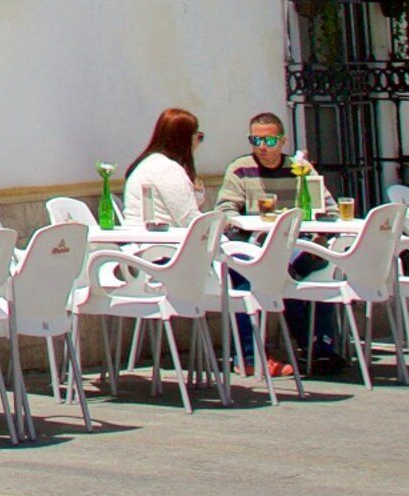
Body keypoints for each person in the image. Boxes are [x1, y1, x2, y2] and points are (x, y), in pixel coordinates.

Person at [217, 112, 337, 374]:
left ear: (283, 141)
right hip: (256, 246)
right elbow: (225, 211)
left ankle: (321, 346)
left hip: (297, 247)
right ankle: (250, 356)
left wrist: (320, 234)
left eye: (269, 141)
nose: (262, 147)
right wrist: (244, 223)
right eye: (256, 140)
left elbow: (330, 210)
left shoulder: (300, 168)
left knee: (316, 269)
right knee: (247, 275)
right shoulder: (240, 169)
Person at [121, 107, 203, 231]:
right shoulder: (168, 170)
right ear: (185, 139)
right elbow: (189, 220)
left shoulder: (148, 164)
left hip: (138, 237)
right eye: (199, 137)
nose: (198, 143)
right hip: (162, 239)